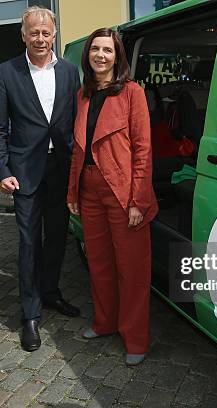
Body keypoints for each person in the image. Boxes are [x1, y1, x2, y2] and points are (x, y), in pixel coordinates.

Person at [0, 6, 81, 352]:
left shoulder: (71, 72)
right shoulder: (6, 73)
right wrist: (2, 171)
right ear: (23, 35)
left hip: (62, 169)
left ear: (54, 35)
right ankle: (30, 313)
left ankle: (51, 291)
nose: (40, 38)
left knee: (58, 237)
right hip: (24, 174)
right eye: (34, 33)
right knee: (29, 243)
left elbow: (75, 122)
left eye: (46, 32)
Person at [67, 28, 158, 366]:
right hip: (89, 190)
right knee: (100, 264)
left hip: (123, 191)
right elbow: (78, 148)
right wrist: (72, 191)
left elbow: (143, 150)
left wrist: (139, 199)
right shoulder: (83, 95)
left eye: (107, 50)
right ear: (88, 56)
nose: (100, 55)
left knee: (132, 270)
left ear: (117, 56)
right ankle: (104, 323)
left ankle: (135, 338)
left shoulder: (132, 93)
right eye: (95, 50)